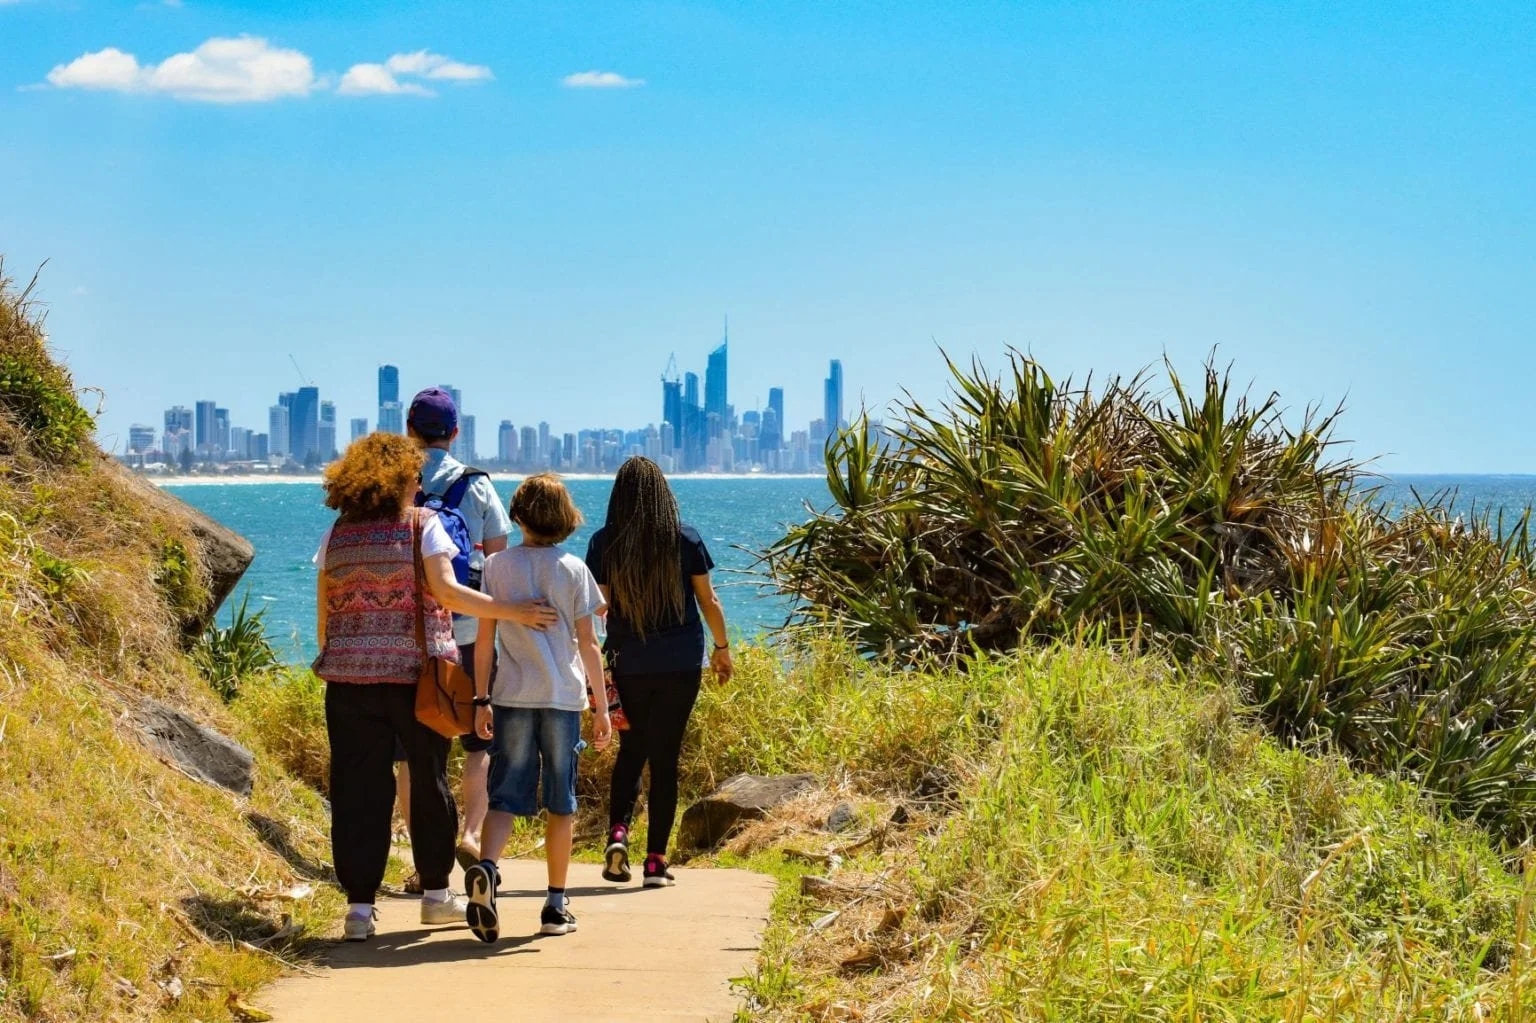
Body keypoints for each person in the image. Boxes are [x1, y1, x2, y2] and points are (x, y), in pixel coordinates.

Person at [313, 433, 559, 942]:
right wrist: (511, 611)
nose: (420, 483)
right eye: (414, 477)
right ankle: (433, 897)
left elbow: (324, 616)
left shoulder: (337, 534)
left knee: (358, 793)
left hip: (347, 682)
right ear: (401, 481)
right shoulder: (422, 525)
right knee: (428, 782)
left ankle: (359, 911)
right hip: (414, 679)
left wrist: (341, 657)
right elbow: (448, 592)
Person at [463, 474, 612, 943]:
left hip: (510, 694)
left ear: (518, 516)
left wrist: (481, 697)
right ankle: (554, 904)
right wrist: (602, 705)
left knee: (505, 793)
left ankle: (487, 869)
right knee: (560, 802)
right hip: (563, 698)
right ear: (566, 519)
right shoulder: (574, 569)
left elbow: (485, 638)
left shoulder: (496, 568)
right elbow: (588, 644)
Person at [586, 456, 733, 888]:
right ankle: (655, 862)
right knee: (665, 758)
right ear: (663, 494)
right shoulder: (685, 538)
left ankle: (617, 835)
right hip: (680, 662)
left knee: (632, 750)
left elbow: (601, 606)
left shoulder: (603, 542)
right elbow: (709, 602)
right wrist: (722, 650)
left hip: (629, 661)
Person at [405, 387, 513, 869]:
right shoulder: (477, 484)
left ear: (409, 430)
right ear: (454, 432)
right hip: (467, 632)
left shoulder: (392, 482)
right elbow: (499, 564)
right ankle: (471, 834)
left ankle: (422, 861)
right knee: (479, 740)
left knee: (413, 754)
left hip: (406, 633)